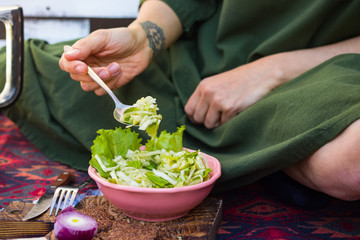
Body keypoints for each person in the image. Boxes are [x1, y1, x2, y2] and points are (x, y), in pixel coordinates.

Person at [2, 0, 360, 202]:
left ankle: (255, 141)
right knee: (13, 68)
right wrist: (142, 38)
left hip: (324, 71)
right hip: (188, 70)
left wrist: (272, 71)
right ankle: (264, 150)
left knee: (349, 165)